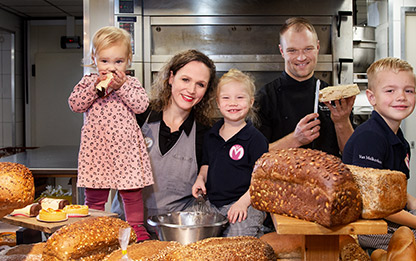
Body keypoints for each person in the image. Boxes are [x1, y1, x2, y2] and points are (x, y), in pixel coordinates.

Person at [342, 57, 416, 260]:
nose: (401, 97)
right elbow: (375, 204)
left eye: (408, 90)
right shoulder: (370, 138)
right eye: (390, 91)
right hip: (367, 226)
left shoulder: (398, 139)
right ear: (371, 97)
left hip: (391, 217)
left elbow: (399, 194)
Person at [68, 26, 153, 241]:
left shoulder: (131, 83)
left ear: (128, 60)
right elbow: (75, 105)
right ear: (94, 59)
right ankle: (93, 226)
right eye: (105, 61)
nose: (111, 68)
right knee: (95, 194)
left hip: (126, 150)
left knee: (132, 193)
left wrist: (122, 86)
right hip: (97, 149)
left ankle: (136, 227)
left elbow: (141, 105)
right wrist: (94, 89)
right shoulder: (88, 81)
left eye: (118, 62)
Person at [111, 49, 217, 221]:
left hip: (176, 232)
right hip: (126, 224)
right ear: (171, 77)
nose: (191, 90)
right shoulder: (140, 114)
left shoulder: (205, 132)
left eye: (200, 84)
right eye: (185, 79)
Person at [256, 17, 355, 156]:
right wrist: (295, 139)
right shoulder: (264, 97)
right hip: (281, 177)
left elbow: (352, 155)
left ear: (318, 47)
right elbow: (255, 155)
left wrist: (342, 122)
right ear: (282, 51)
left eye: (308, 49)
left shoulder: (334, 97)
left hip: (327, 176)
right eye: (292, 50)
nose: (301, 57)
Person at [192, 69, 268, 237]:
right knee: (196, 238)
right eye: (226, 98)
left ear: (251, 102)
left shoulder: (255, 139)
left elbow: (262, 180)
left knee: (236, 242)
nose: (233, 103)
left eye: (240, 97)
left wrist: (242, 203)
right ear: (218, 103)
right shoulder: (211, 134)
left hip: (246, 203)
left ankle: (258, 233)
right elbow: (206, 164)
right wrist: (200, 179)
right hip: (213, 204)